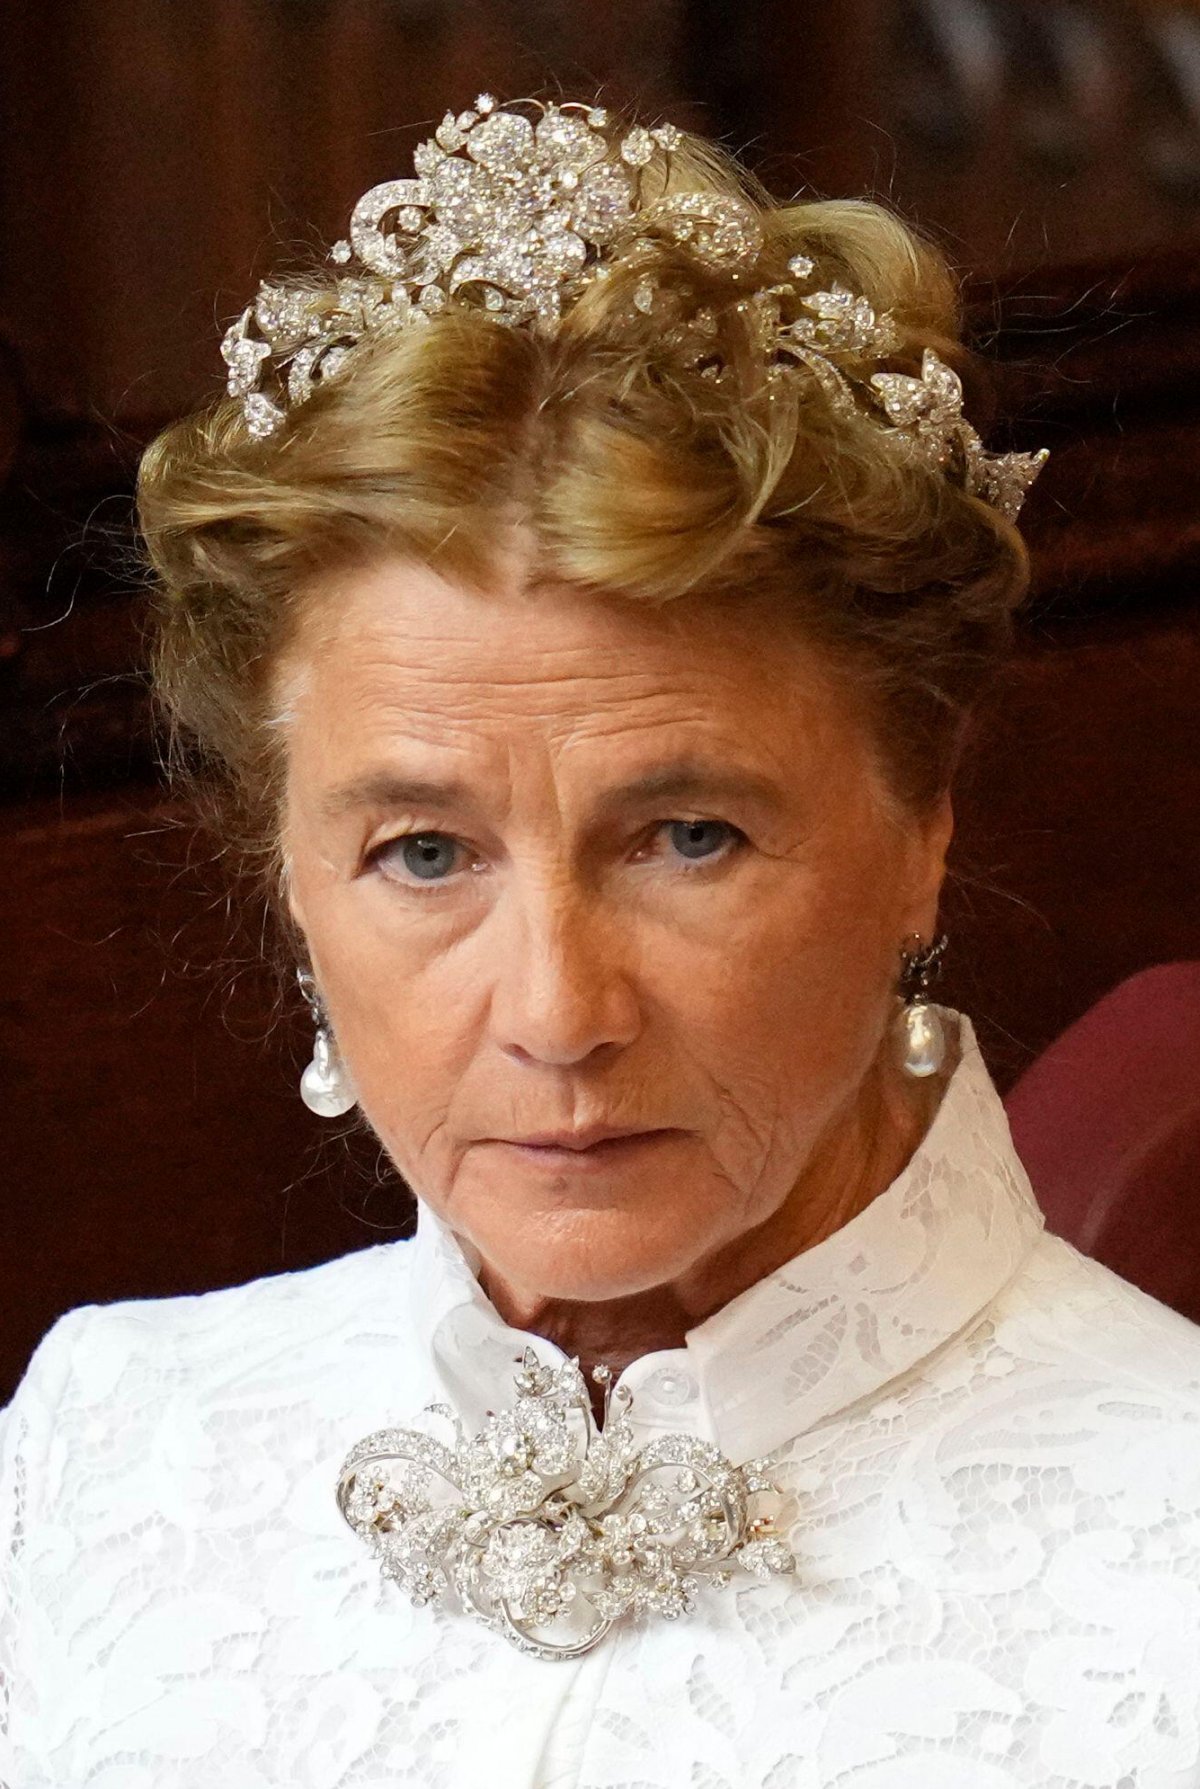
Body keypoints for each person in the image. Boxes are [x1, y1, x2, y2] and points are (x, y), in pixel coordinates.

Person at [3, 94, 1198, 1789]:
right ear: (284, 867)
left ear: (924, 828)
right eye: (424, 851)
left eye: (688, 835)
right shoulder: (103, 1447)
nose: (559, 1013)